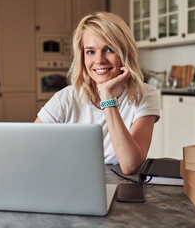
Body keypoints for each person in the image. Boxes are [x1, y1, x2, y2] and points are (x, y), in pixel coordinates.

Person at [35, 12, 160, 175]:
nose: (99, 60)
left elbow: (131, 165)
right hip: (69, 178)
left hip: (118, 183)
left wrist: (107, 96)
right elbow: (31, 147)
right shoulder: (66, 97)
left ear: (124, 52)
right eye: (90, 51)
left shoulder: (145, 95)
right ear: (82, 56)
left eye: (109, 49)